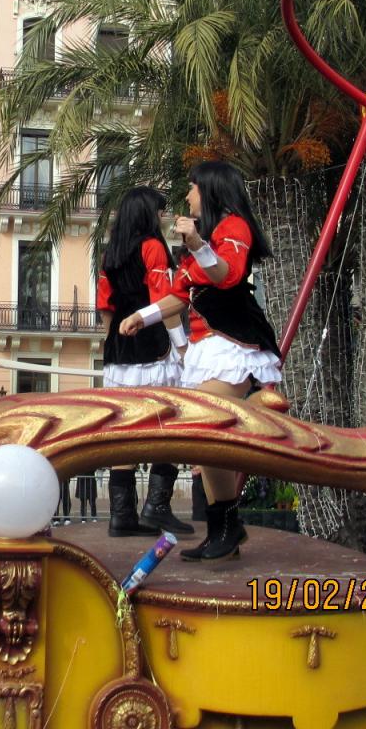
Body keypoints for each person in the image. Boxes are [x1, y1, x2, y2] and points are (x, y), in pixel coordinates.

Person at [121, 160, 281, 562]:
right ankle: (224, 529)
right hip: (208, 348)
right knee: (204, 437)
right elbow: (180, 296)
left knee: (204, 425)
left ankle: (227, 526)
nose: (187, 196)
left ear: (208, 190)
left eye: (191, 188)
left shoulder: (233, 226)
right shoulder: (207, 236)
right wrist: (143, 317)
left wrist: (195, 244)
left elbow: (227, 274)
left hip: (237, 344)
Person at [97, 185, 194, 538]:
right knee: (164, 424)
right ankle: (158, 507)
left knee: (125, 432)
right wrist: (180, 347)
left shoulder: (110, 255)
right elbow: (163, 303)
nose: (161, 218)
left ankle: (121, 516)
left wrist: (113, 346)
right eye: (157, 211)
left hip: (119, 355)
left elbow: (106, 308)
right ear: (145, 214)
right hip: (153, 348)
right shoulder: (153, 248)